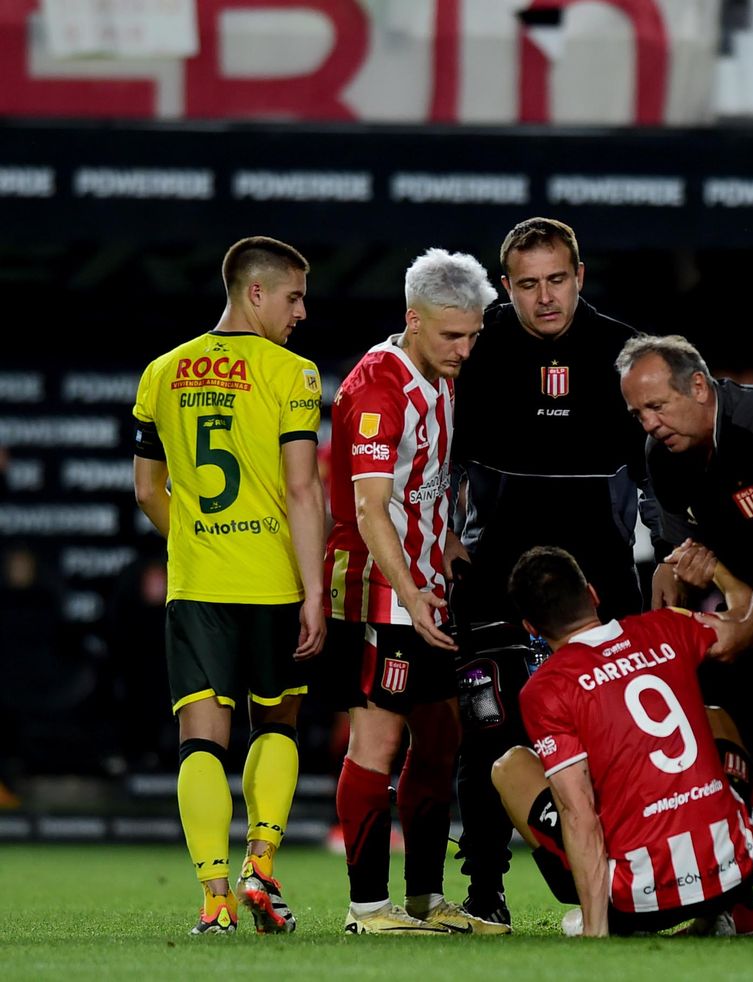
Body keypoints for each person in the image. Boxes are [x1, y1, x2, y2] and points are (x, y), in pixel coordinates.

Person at [450, 217, 643, 928]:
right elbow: (440, 452)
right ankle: (484, 890)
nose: (545, 297)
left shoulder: (623, 349)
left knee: (620, 729)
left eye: (557, 279)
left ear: (580, 276)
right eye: (528, 284)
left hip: (602, 577)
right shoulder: (478, 347)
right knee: (488, 728)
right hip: (496, 573)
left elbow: (654, 462)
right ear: (506, 287)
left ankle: (637, 874)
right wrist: (443, 535)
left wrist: (672, 545)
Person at [132, 236, 326, 935]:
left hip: (198, 583)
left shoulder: (162, 371)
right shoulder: (294, 374)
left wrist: (194, 542)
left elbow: (146, 489)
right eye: (294, 297)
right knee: (276, 722)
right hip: (272, 581)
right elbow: (302, 489)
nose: (301, 312)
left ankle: (214, 900)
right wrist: (315, 590)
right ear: (255, 292)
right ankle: (261, 866)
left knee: (201, 739)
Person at [618, 334, 753, 935]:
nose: (649, 423)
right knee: (705, 727)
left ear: (698, 386)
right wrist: (673, 584)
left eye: (657, 406)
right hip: (742, 604)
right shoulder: (662, 454)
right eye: (638, 413)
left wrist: (743, 626)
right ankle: (729, 895)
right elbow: (677, 557)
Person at [325, 248, 500, 935]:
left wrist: (450, 546)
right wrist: (410, 590)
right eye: (452, 335)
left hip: (428, 586)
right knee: (378, 740)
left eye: (473, 335)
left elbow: (427, 485)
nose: (465, 349)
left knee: (441, 738)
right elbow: (371, 511)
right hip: (380, 589)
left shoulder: (445, 374)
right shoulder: (378, 387)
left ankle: (426, 897)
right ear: (413, 319)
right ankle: (368, 907)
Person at [491, 546, 753, 936]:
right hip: (733, 871)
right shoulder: (666, 624)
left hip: (640, 902)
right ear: (592, 594)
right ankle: (730, 910)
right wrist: (716, 569)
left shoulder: (546, 688)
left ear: (531, 628)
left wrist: (596, 931)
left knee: (512, 768)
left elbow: (578, 813)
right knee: (715, 716)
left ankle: (602, 909)